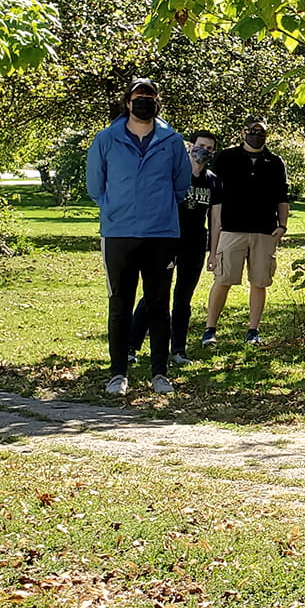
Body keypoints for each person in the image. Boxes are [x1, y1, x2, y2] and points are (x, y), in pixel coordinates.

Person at [84, 77, 192, 395]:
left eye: (149, 96)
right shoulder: (106, 139)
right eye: (137, 96)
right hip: (119, 234)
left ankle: (160, 373)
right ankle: (118, 374)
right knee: (120, 304)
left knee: (159, 304)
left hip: (161, 235)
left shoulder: (172, 141)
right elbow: (95, 186)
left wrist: (156, 209)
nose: (143, 100)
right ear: (127, 102)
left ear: (157, 102)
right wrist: (116, 210)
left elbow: (181, 185)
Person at [127, 130, 219, 367]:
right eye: (201, 146)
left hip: (195, 245)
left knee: (183, 299)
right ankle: (131, 346)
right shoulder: (173, 175)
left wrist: (214, 252)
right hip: (166, 242)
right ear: (190, 146)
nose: (204, 151)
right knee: (154, 294)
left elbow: (216, 219)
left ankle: (178, 350)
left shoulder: (213, 181)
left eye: (209, 148)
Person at [202, 116, 290, 346]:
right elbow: (214, 200)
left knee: (259, 282)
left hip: (265, 231)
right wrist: (214, 237)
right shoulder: (226, 158)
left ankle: (253, 330)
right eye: (252, 130)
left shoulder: (275, 162)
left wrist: (282, 226)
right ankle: (210, 329)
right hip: (231, 229)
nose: (257, 135)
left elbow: (283, 196)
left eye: (261, 131)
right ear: (243, 132)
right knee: (223, 279)